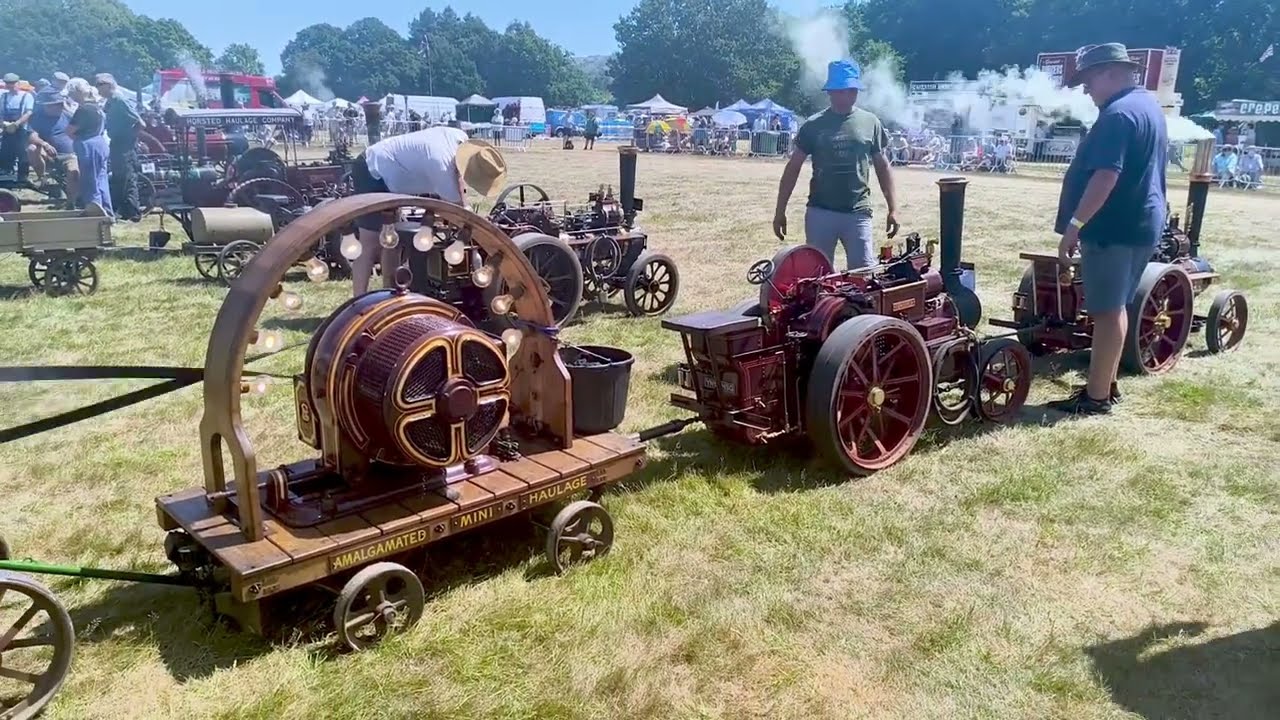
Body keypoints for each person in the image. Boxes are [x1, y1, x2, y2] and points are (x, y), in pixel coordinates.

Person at [1048, 43, 1168, 415]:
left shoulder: (1117, 115)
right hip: (1141, 222)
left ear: (1110, 73)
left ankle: (1096, 397)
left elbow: (1105, 177)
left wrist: (1074, 226)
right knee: (1116, 307)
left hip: (1114, 227)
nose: (1085, 90)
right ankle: (1107, 384)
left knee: (1106, 309)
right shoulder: (1148, 106)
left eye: (1088, 80)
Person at [347, 127, 507, 296]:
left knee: (391, 241)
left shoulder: (458, 138)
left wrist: (467, 208)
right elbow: (457, 212)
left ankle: (391, 293)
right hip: (372, 170)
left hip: (390, 175)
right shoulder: (441, 166)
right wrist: (479, 227)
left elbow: (458, 177)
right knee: (370, 242)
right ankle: (358, 302)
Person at [773, 59, 899, 270]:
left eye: (851, 90)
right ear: (830, 92)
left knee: (863, 275)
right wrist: (780, 211)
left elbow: (882, 167)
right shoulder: (813, 125)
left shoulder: (871, 122)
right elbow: (792, 168)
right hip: (821, 212)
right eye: (840, 91)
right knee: (817, 277)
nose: (846, 96)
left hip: (858, 212)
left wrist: (893, 209)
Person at [96, 73, 143, 222]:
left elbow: (140, 123)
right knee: (120, 177)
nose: (97, 89)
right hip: (116, 141)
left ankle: (133, 211)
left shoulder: (119, 100)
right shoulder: (110, 102)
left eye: (99, 85)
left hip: (124, 143)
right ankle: (126, 210)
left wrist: (130, 138)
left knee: (126, 177)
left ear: (108, 85)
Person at [26, 88, 79, 208]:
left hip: (70, 154)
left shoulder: (69, 116)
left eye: (61, 104)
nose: (60, 107)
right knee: (32, 148)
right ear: (47, 106)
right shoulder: (37, 117)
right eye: (57, 105)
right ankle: (43, 178)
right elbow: (32, 136)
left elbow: (79, 134)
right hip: (47, 154)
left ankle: (71, 202)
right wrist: (44, 144)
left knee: (73, 171)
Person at [65, 81, 112, 217]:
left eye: (72, 94)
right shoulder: (97, 107)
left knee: (89, 180)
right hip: (100, 143)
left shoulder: (83, 109)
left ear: (78, 93)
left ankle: (95, 213)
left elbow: (70, 130)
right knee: (101, 179)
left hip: (88, 145)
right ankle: (108, 212)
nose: (71, 96)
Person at [1, 73, 35, 177]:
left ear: (18, 83)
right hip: (7, 128)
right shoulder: (3, 97)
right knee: (6, 150)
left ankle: (23, 175)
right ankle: (6, 172)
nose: (10, 85)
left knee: (22, 152)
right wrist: (3, 123)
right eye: (8, 83)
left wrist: (16, 124)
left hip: (21, 129)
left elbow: (28, 112)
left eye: (12, 83)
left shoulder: (26, 96)